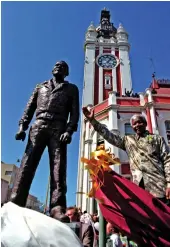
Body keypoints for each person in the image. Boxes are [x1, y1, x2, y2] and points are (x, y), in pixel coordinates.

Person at [11, 61, 79, 213]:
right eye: (56, 66)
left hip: (59, 128)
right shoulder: (40, 87)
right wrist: (22, 127)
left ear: (67, 73)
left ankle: (57, 207)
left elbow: (74, 114)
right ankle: (17, 199)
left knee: (58, 166)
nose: (58, 67)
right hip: (38, 125)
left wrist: (69, 131)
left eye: (62, 67)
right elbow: (29, 108)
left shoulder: (71, 89)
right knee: (27, 163)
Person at [82, 107, 170, 204]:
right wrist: (93, 121)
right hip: (139, 188)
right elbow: (110, 136)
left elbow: (167, 160)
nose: (137, 125)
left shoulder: (157, 139)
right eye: (134, 124)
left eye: (139, 122)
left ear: (145, 124)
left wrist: (169, 184)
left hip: (158, 186)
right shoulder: (128, 140)